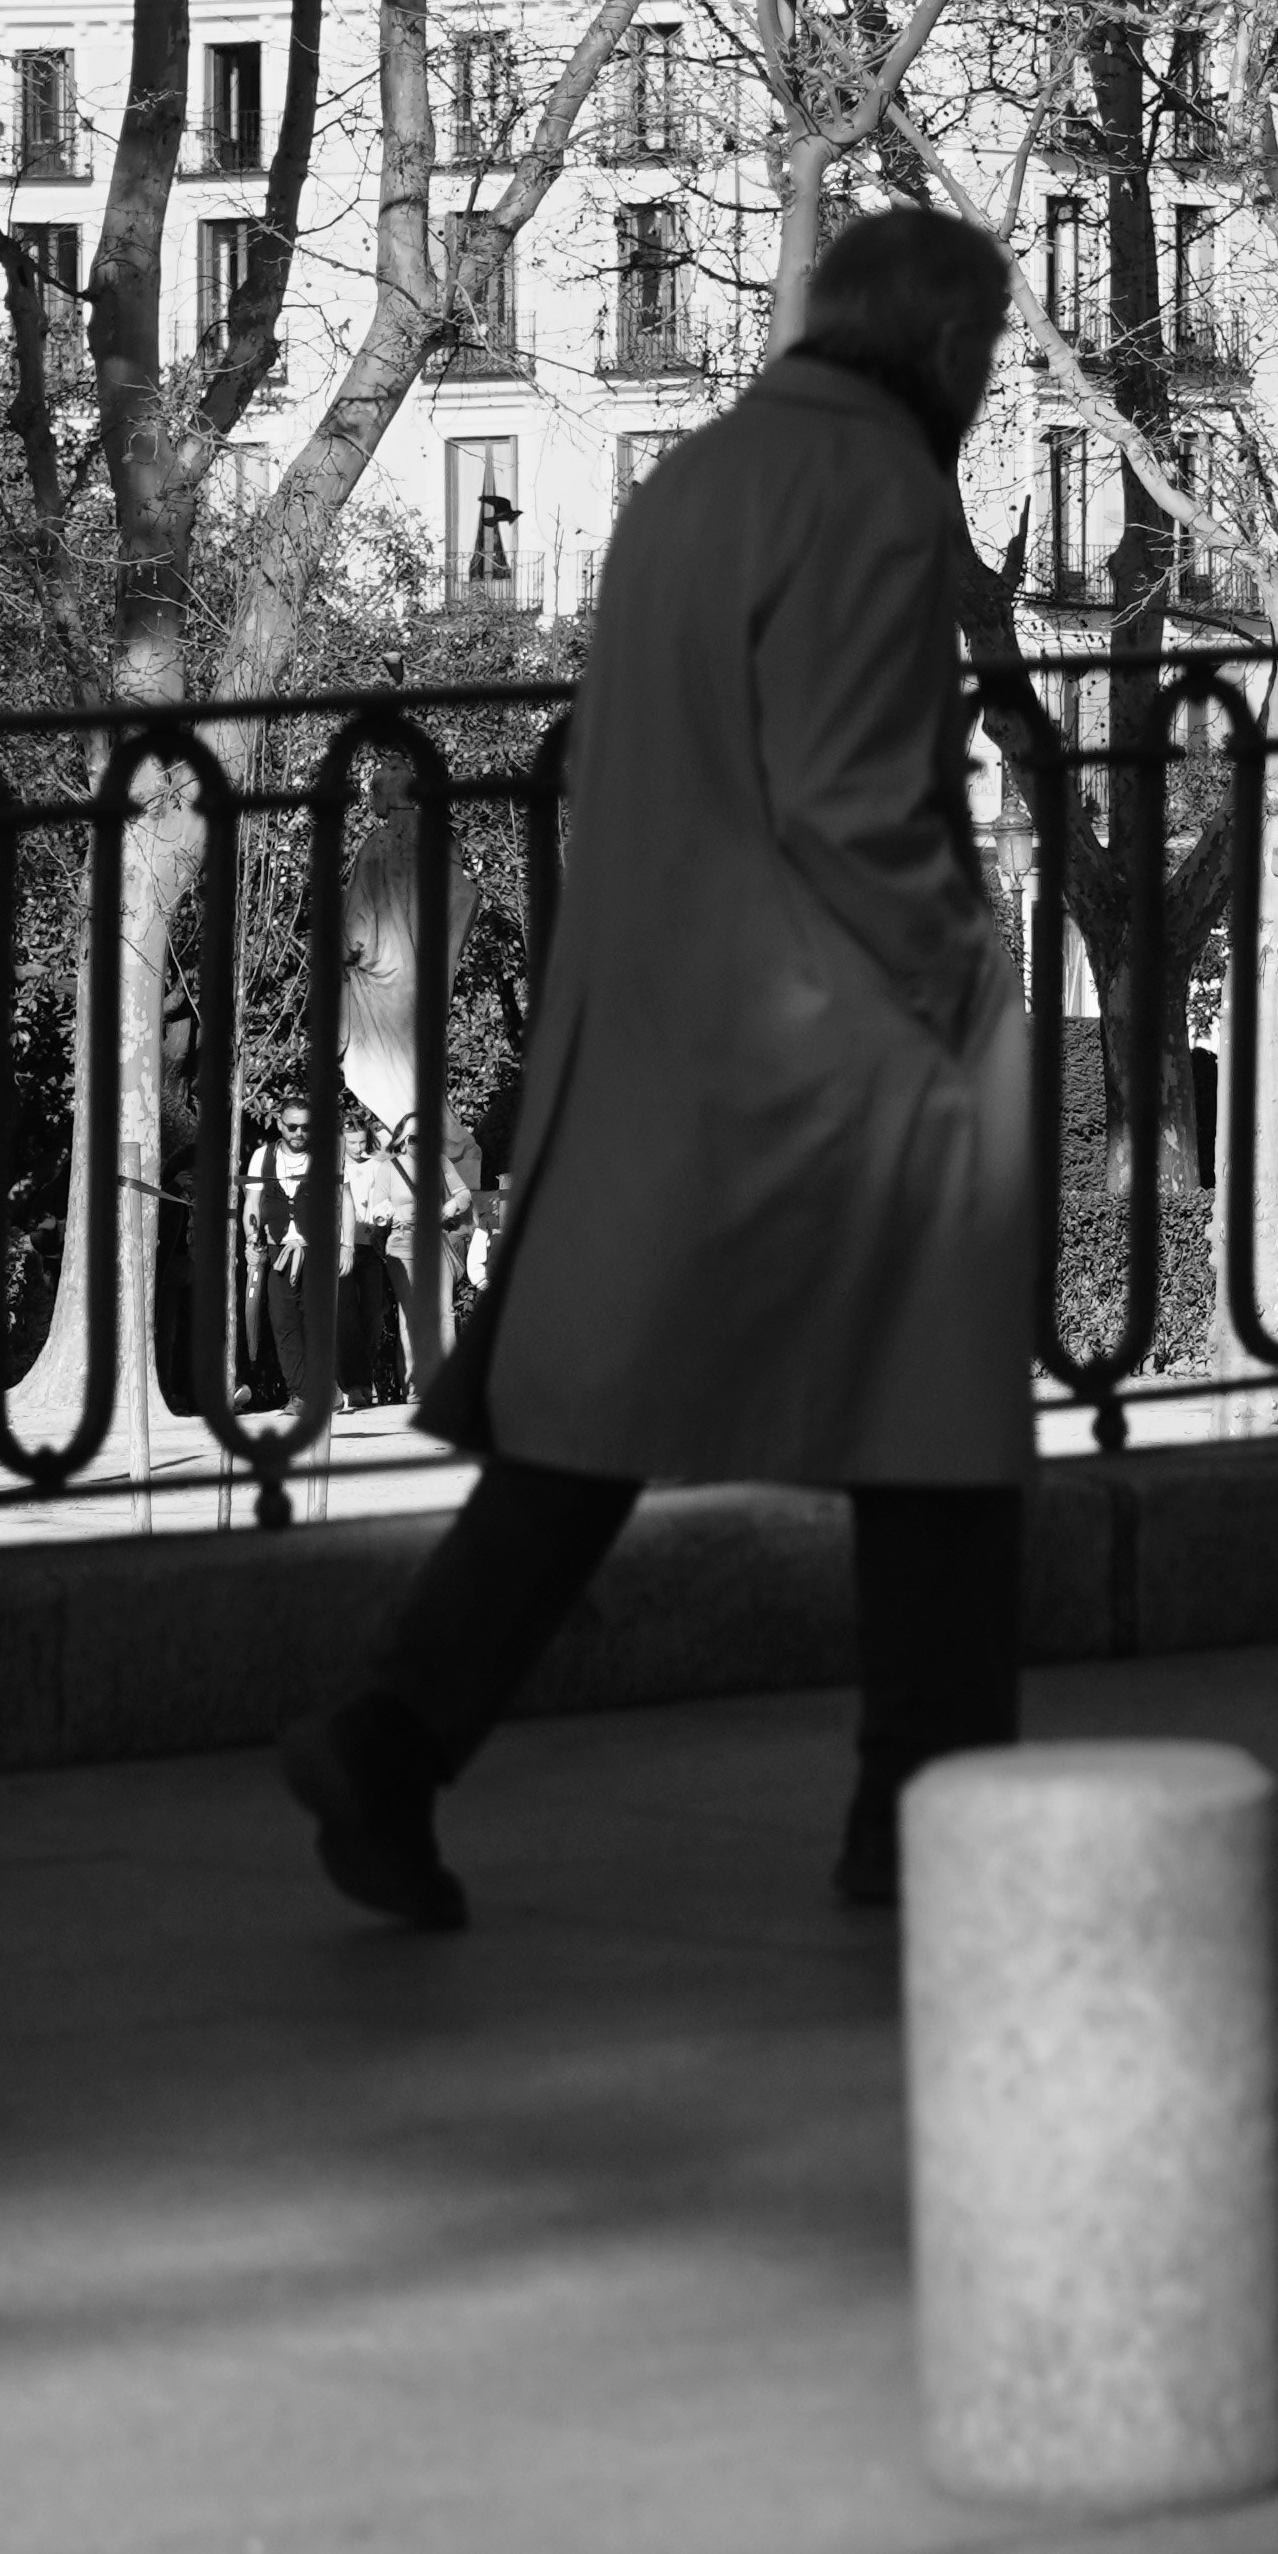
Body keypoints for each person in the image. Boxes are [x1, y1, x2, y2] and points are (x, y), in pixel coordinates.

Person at [282, 202, 1031, 1927]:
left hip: (658, 1025)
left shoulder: (694, 477)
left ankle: (392, 1734)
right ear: (937, 348)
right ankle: (920, 1824)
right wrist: (957, 982)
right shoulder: (880, 494)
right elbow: (857, 802)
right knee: (940, 1447)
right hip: (832, 1048)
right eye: (984, 349)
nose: (985, 385)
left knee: (589, 1422)